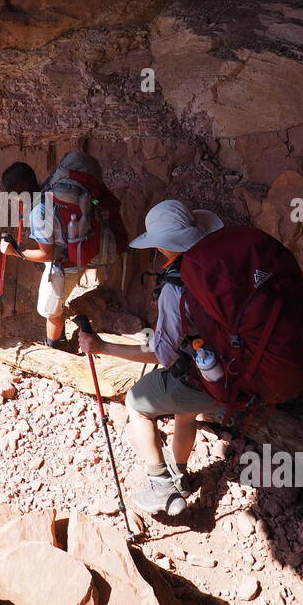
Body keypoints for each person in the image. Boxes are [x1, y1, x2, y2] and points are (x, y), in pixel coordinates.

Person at [78, 200, 224, 517]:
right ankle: (181, 476)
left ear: (163, 245)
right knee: (186, 413)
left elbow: (162, 354)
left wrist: (102, 347)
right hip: (234, 372)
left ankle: (161, 485)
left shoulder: (177, 287)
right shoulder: (220, 262)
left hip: (202, 379)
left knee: (136, 403)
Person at [0, 151, 123, 352]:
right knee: (54, 304)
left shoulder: (38, 213)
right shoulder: (49, 189)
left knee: (49, 311)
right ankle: (60, 334)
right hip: (75, 253)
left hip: (65, 266)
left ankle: (56, 348)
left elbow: (47, 254)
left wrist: (15, 252)